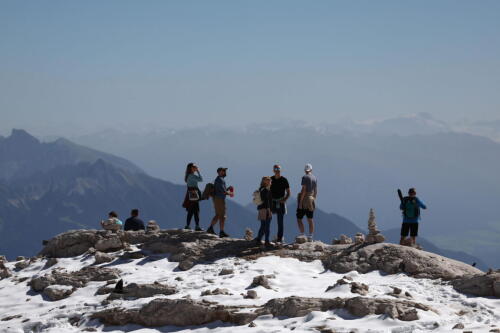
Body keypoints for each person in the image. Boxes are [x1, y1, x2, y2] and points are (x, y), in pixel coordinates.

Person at [207, 167, 231, 238]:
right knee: (222, 216)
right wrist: (229, 193)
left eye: (225, 171)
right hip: (219, 199)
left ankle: (210, 228)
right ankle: (221, 232)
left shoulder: (219, 179)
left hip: (217, 199)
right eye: (223, 171)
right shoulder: (220, 180)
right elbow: (223, 191)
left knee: (218, 215)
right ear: (219, 172)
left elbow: (220, 190)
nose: (225, 172)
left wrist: (227, 189)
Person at [297, 163, 317, 242]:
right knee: (310, 219)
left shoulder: (305, 177)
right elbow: (316, 190)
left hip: (304, 199)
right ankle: (311, 236)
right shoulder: (314, 177)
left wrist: (300, 202)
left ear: (305, 170)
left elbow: (303, 190)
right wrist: (313, 199)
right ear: (311, 169)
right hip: (311, 199)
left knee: (299, 218)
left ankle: (302, 235)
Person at [270, 164, 291, 243]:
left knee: (280, 221)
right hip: (272, 202)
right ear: (273, 171)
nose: (277, 172)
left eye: (278, 170)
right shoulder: (270, 179)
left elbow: (288, 192)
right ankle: (266, 238)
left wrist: (284, 200)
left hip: (280, 202)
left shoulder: (284, 180)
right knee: (267, 219)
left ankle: (279, 238)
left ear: (280, 171)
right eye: (276, 170)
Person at [182, 163, 203, 231]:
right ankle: (197, 226)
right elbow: (201, 179)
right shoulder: (192, 176)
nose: (195, 167)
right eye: (194, 167)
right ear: (191, 168)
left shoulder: (188, 175)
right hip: (194, 194)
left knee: (191, 211)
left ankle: (188, 225)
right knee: (196, 210)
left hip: (190, 194)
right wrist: (198, 171)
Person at [255, 176, 273, 247]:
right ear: (265, 182)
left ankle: (259, 239)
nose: (270, 182)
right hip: (266, 210)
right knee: (267, 226)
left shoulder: (261, 189)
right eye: (268, 180)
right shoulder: (266, 190)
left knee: (263, 226)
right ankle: (267, 241)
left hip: (261, 209)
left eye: (270, 180)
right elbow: (267, 201)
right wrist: (269, 211)